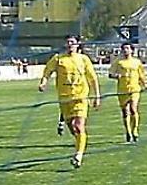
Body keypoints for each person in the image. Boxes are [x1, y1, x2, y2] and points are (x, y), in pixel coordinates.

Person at [39, 35, 101, 168]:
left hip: (80, 97)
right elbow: (47, 72)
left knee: (78, 126)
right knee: (73, 128)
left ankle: (78, 155)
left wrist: (97, 96)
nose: (69, 45)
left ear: (78, 44)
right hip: (64, 99)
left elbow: (93, 78)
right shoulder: (58, 59)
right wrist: (43, 83)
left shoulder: (83, 59)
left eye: (72, 42)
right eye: (67, 42)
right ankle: (80, 143)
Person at [108, 42, 147, 143]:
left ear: (132, 50)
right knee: (125, 112)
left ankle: (135, 131)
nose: (125, 50)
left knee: (133, 109)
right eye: (124, 48)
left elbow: (141, 75)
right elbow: (110, 74)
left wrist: (145, 85)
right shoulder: (118, 62)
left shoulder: (137, 62)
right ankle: (128, 132)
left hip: (135, 89)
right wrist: (116, 76)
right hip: (122, 90)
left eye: (127, 48)